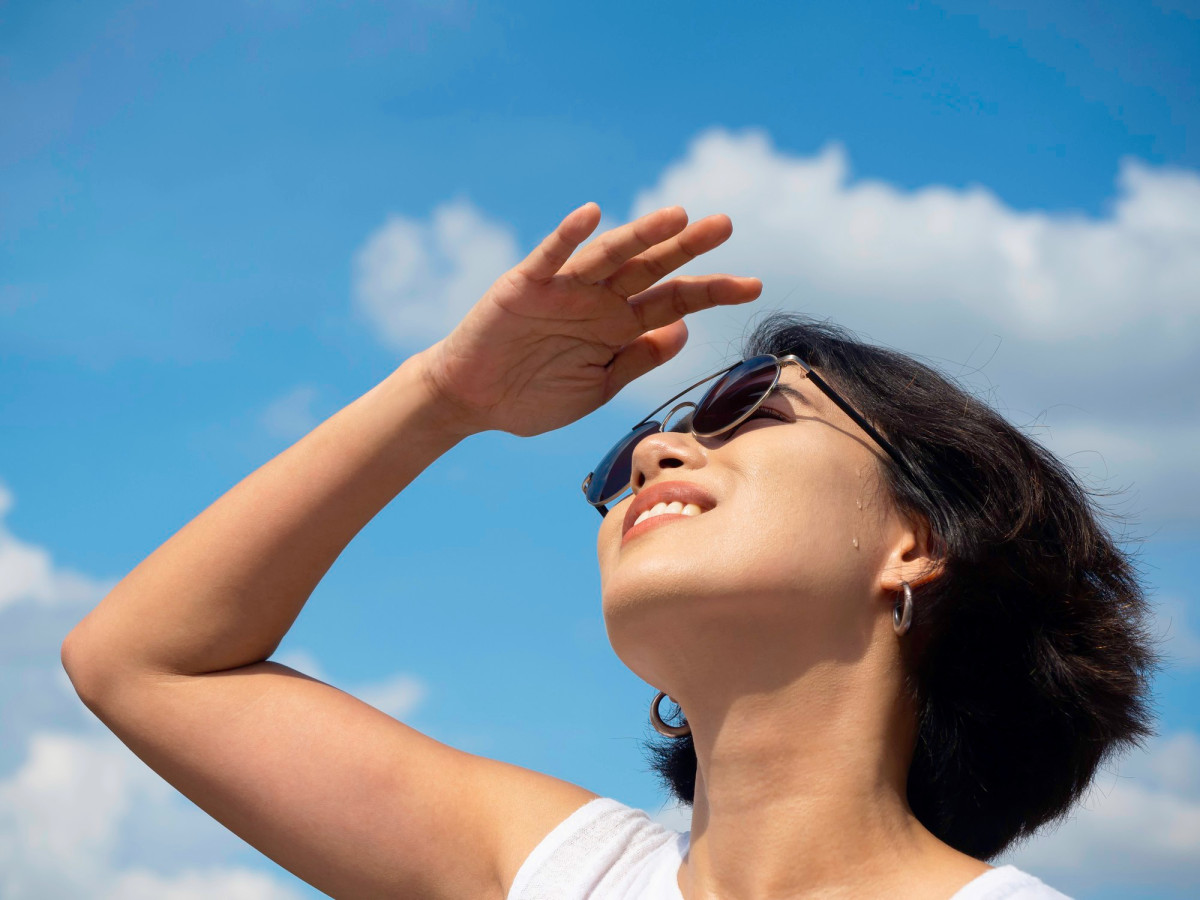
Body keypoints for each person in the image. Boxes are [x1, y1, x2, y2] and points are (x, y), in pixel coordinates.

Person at [61, 203, 1156, 899]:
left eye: (746, 408)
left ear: (916, 543)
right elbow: (143, 663)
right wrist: (445, 397)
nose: (656, 450)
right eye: (624, 453)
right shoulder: (566, 876)